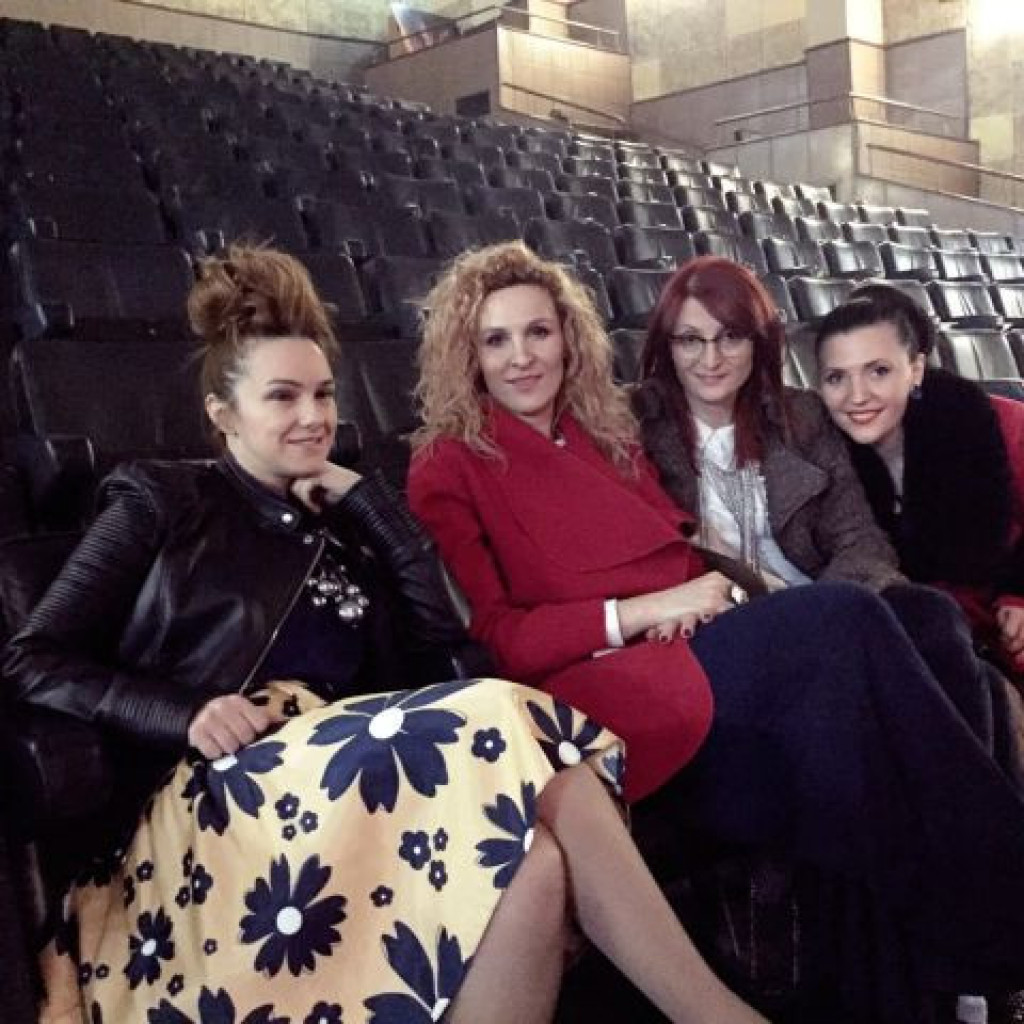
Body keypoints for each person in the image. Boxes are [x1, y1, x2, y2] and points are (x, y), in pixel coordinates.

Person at [4, 244, 766, 1024]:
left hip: (349, 785)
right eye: (282, 397)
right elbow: (29, 658)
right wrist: (185, 713)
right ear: (223, 414)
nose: (313, 417)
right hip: (223, 794)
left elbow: (451, 657)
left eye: (324, 394)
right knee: (508, 717)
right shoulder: (161, 499)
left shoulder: (346, 523)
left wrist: (377, 513)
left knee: (535, 863)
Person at [407, 240, 1024, 1023]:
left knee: (924, 623)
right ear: (468, 352)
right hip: (608, 685)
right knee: (843, 617)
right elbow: (498, 637)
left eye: (538, 332)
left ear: (568, 338)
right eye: (496, 339)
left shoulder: (602, 432)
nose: (522, 357)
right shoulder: (448, 464)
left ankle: (942, 977)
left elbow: (685, 549)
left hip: (696, 634)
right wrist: (644, 612)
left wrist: (709, 597)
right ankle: (1003, 906)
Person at [634, 257, 1022, 757]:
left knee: (934, 617)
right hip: (729, 619)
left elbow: (861, 540)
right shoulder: (637, 426)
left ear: (758, 341)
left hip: (828, 601)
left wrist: (831, 613)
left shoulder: (801, 415)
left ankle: (976, 807)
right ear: (667, 345)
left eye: (730, 336)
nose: (711, 358)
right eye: (690, 340)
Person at [814, 282, 1024, 680]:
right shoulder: (825, 450)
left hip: (1002, 606)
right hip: (928, 628)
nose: (857, 396)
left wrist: (1019, 594)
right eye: (837, 377)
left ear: (916, 369)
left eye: (878, 370)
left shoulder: (996, 423)